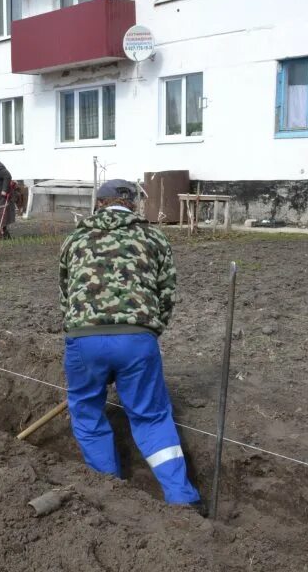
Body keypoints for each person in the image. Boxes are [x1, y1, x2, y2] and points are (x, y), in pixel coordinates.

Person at [58, 179, 201, 507]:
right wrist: (145, 336)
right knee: (151, 416)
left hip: (84, 340)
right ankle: (182, 497)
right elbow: (167, 294)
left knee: (86, 409)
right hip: (137, 340)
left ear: (99, 204)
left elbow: (66, 296)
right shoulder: (154, 237)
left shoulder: (75, 239)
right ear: (133, 204)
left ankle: (110, 489)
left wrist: (89, 339)